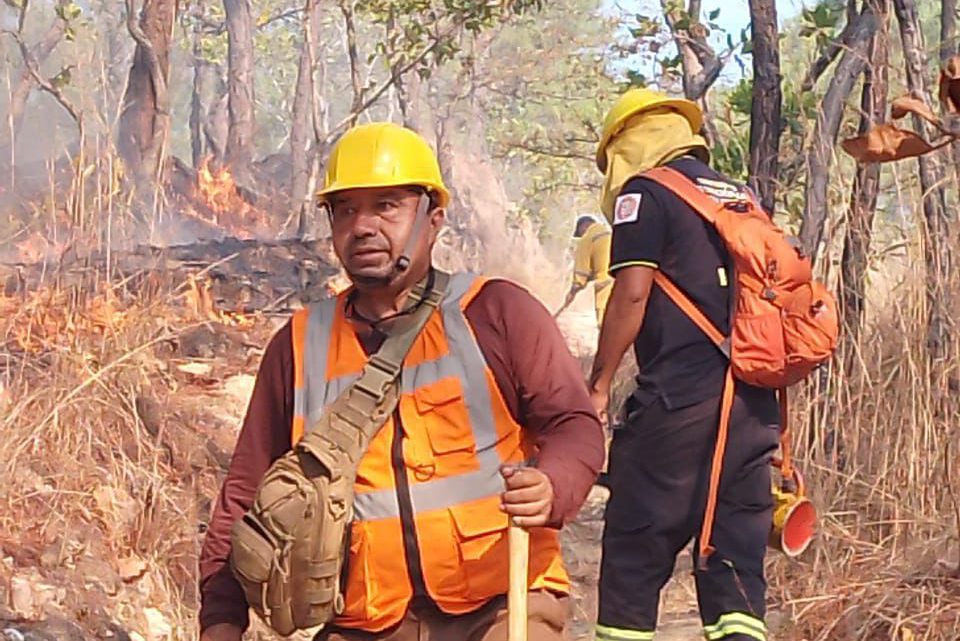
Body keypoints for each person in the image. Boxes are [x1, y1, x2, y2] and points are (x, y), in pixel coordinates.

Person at [198, 122, 605, 641]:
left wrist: (554, 485)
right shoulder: (297, 345)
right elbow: (244, 492)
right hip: (363, 621)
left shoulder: (498, 313)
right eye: (345, 210)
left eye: (386, 206)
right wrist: (220, 622)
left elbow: (574, 424)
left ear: (433, 220)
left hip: (502, 605)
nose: (362, 226)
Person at [587, 88, 780, 641]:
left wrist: (599, 383)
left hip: (680, 404)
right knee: (734, 558)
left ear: (627, 140)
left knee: (632, 547)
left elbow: (631, 295)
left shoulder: (645, 193)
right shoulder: (740, 198)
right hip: (753, 405)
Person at [561, 214, 613, 325]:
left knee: (605, 325)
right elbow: (603, 262)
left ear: (583, 227)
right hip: (623, 281)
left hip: (605, 285)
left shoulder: (587, 238)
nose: (581, 235)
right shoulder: (608, 233)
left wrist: (573, 291)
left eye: (580, 233)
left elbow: (581, 274)